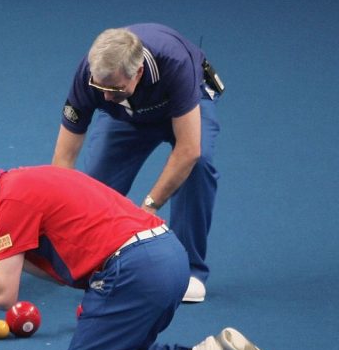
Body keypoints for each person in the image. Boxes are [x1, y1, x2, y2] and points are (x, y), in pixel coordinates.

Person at [0, 153, 279, 350]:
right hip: (168, 257)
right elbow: (61, 275)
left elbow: (3, 295)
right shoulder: (23, 181)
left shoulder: (9, 204)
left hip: (133, 271)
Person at [51, 23, 223, 302]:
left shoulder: (175, 63)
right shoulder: (89, 74)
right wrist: (55, 225)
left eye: (114, 89)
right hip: (126, 115)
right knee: (93, 188)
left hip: (183, 107)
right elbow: (63, 159)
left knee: (199, 164)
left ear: (138, 72)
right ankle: (92, 259)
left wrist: (149, 207)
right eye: (100, 87)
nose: (105, 96)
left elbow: (189, 149)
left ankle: (189, 270)